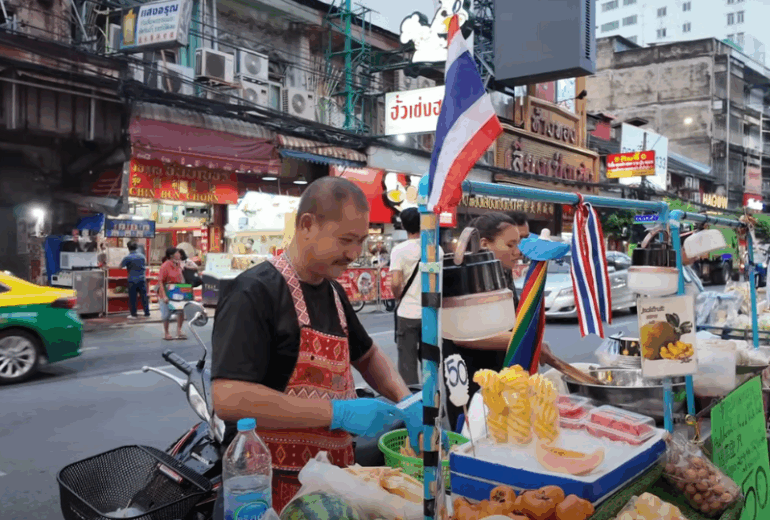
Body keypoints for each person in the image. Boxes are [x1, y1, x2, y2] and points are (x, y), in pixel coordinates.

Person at [211, 176, 423, 512]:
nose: (354, 254)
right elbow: (229, 397)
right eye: (345, 240)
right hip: (270, 490)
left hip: (333, 484)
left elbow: (367, 356)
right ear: (307, 225)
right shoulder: (254, 292)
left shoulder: (333, 291)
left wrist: (406, 400)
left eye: (361, 241)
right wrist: (337, 413)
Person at [442, 211, 530, 431]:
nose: (518, 252)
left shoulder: (503, 273)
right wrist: (523, 340)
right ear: (484, 244)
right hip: (470, 379)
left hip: (501, 374)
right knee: (474, 436)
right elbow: (463, 336)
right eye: (510, 245)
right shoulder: (461, 273)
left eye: (518, 244)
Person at [389, 207, 444, 385]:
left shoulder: (399, 250)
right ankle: (431, 398)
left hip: (407, 314)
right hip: (430, 311)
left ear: (403, 225)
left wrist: (399, 296)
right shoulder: (437, 250)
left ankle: (412, 400)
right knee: (429, 358)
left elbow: (396, 283)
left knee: (407, 362)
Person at [158, 247, 186, 341]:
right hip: (167, 291)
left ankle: (179, 331)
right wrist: (164, 296)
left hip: (177, 290)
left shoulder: (178, 264)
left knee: (180, 311)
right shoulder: (165, 266)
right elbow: (161, 282)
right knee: (166, 314)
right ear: (172, 255)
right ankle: (166, 333)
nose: (180, 255)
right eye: (178, 253)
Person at [120, 241, 150, 319]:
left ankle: (134, 314)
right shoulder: (142, 256)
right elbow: (145, 264)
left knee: (133, 298)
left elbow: (120, 266)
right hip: (142, 279)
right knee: (144, 297)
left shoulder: (127, 257)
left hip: (132, 280)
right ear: (136, 247)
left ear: (128, 248)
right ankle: (147, 313)